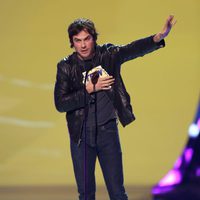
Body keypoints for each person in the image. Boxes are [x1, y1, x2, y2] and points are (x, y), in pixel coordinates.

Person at [54, 15, 176, 200]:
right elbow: (61, 103)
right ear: (72, 42)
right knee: (86, 194)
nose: (83, 45)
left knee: (117, 192)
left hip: (107, 133)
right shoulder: (65, 66)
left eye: (87, 39)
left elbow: (132, 49)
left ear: (94, 38)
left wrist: (157, 38)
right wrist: (88, 90)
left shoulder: (108, 55)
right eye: (77, 41)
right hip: (81, 137)